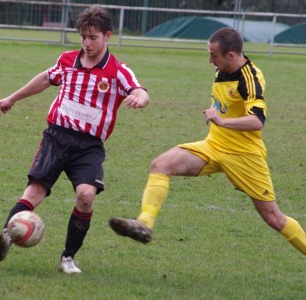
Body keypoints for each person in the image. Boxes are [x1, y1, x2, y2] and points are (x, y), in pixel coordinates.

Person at [109, 27, 306, 257]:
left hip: (244, 155)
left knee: (274, 218)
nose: (209, 60)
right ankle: (144, 223)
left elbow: (257, 121)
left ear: (231, 55)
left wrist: (221, 121)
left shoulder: (250, 78)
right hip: (213, 146)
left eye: (213, 55)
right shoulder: (221, 68)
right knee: (160, 165)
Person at [0, 5, 150, 274]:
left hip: (88, 147)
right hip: (57, 137)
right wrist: (13, 97)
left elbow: (140, 90)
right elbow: (45, 78)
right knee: (34, 192)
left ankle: (67, 258)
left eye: (93, 38)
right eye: (83, 37)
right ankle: (7, 236)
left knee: (86, 196)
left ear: (107, 36)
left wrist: (140, 99)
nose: (87, 43)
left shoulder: (118, 71)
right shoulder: (67, 60)